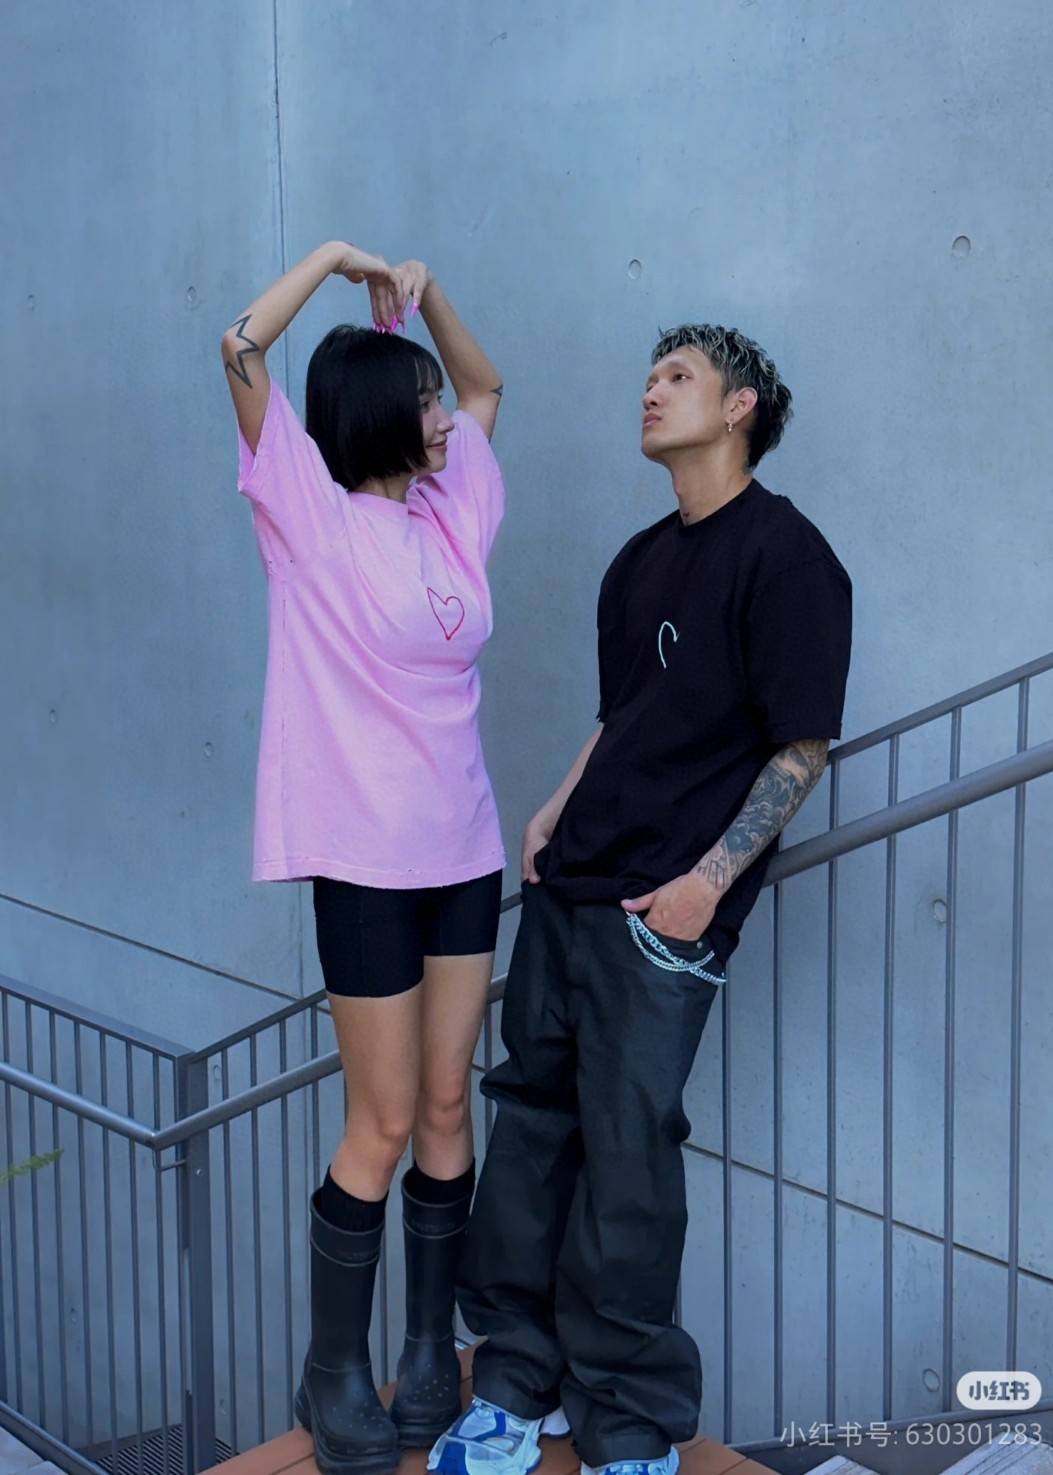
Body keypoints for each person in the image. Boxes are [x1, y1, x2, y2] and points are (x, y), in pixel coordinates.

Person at [430, 324, 853, 1475]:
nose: (651, 392)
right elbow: (625, 717)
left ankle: (625, 1415)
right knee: (532, 1132)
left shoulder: (789, 558)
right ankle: (514, 1381)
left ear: (741, 405)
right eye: (650, 375)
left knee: (628, 1157)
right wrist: (554, 808)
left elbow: (802, 746)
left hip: (662, 912)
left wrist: (707, 883)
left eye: (678, 376)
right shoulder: (634, 562)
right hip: (569, 886)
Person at [221, 240, 507, 1475]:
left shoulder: (453, 507)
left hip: (466, 853)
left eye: (433, 398)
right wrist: (336, 261)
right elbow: (241, 347)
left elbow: (488, 387)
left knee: (447, 1104)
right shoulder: (308, 515)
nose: (444, 413)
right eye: (422, 400)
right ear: (382, 414)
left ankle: (430, 1344)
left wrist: (425, 299)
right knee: (382, 1120)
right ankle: (334, 1365)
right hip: (365, 865)